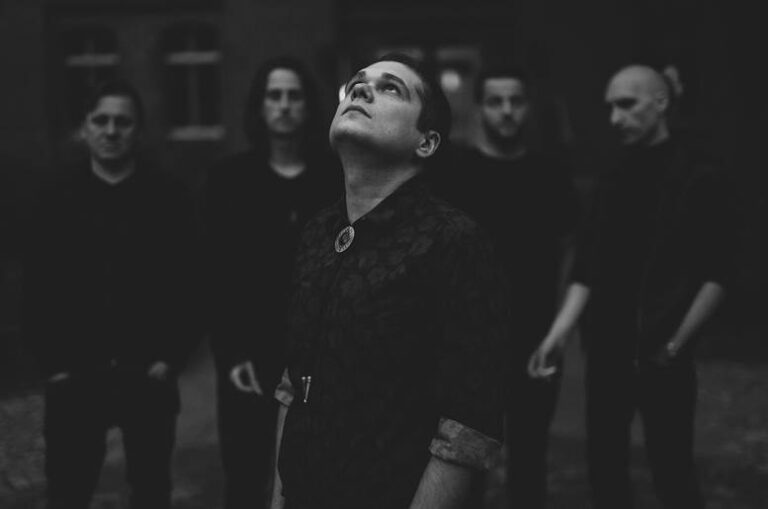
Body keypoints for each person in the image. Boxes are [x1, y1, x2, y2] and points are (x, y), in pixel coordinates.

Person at [269, 53, 511, 509]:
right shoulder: (319, 232)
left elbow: (468, 424)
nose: (360, 89)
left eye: (391, 89)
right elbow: (293, 383)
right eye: (356, 83)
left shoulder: (452, 241)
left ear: (426, 142)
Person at [528, 64, 735, 508]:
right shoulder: (612, 177)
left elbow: (718, 273)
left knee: (673, 472)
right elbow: (587, 268)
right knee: (605, 471)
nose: (615, 118)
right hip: (607, 350)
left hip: (662, 350)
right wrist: (557, 336)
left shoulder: (698, 174)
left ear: (660, 102)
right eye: (610, 107)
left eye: (626, 104)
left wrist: (676, 344)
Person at [23, 79, 199, 509]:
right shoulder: (54, 199)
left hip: (147, 375)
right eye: (100, 120)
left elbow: (190, 282)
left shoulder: (169, 197)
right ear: (84, 128)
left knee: (151, 493)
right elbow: (35, 286)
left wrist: (170, 357)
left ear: (138, 130)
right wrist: (53, 365)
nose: (111, 130)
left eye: (122, 121)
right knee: (68, 492)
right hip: (75, 376)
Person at [428, 65, 579, 508]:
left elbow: (573, 250)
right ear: (480, 108)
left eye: (516, 101)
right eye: (496, 101)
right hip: (470, 345)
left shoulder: (549, 174)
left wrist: (558, 328)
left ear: (528, 107)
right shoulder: (455, 174)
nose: (507, 110)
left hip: (535, 339)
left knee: (530, 464)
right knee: (465, 468)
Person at [204, 56, 340, 509]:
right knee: (245, 476)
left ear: (309, 106)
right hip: (249, 356)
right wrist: (231, 352)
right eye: (274, 95)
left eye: (293, 96)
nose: (283, 105)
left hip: (318, 356)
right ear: (259, 106)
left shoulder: (334, 178)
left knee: (314, 479)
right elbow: (215, 275)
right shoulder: (229, 180)